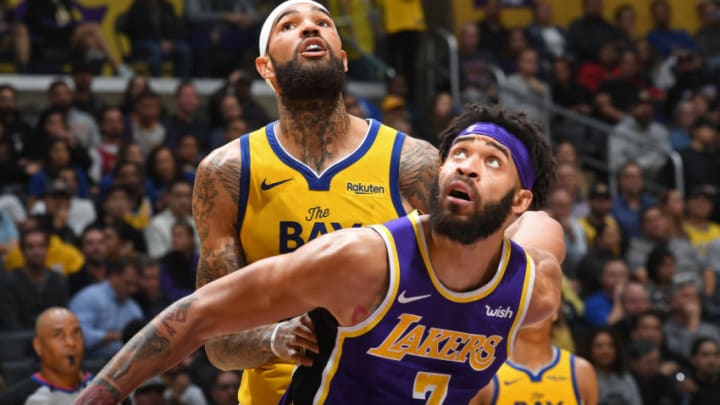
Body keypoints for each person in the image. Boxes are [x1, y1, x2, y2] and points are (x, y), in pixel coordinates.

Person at [75, 103, 564, 404]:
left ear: (520, 199)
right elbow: (199, 313)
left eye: (491, 161)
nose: (467, 167)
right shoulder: (362, 260)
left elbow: (545, 228)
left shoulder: (533, 288)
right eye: (458, 154)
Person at [198, 2, 440, 405]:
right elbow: (218, 342)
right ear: (266, 69)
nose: (310, 29)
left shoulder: (414, 162)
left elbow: (458, 298)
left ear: (343, 60)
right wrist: (275, 338)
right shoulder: (227, 171)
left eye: (322, 23)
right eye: (289, 26)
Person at [469, 310, 598, 405]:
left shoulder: (581, 371)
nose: (535, 309)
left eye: (540, 301)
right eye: (528, 303)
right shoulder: (486, 375)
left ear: (555, 311)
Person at [0, 307, 92, 404]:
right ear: (38, 345)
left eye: (76, 333)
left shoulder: (104, 386)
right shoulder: (15, 399)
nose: (71, 342)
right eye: (58, 335)